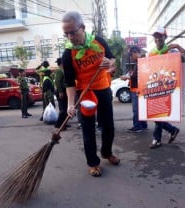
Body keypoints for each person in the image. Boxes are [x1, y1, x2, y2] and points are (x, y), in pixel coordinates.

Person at [62, 11, 119, 177]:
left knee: (108, 125)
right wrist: (70, 105)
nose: (70, 37)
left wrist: (110, 64)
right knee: (88, 130)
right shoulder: (68, 54)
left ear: (83, 28)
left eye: (73, 32)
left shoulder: (98, 41)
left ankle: (107, 153)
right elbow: (69, 82)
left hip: (103, 89)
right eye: (66, 34)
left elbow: (112, 59)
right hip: (85, 93)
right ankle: (93, 163)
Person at [148, 27, 185, 149]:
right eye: (155, 36)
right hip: (155, 87)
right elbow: (147, 69)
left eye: (160, 36)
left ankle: (157, 139)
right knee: (156, 114)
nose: (157, 38)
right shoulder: (151, 53)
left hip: (168, 87)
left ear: (165, 37)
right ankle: (172, 130)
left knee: (158, 115)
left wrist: (178, 46)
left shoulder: (172, 52)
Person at [120, 46, 148, 133]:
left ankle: (137, 126)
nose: (131, 57)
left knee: (136, 109)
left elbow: (137, 76)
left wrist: (127, 77)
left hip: (137, 89)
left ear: (135, 53)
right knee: (141, 108)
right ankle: (143, 125)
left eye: (131, 54)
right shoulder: (140, 61)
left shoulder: (141, 62)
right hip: (138, 88)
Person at [54, 58, 69, 130]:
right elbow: (57, 82)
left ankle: (64, 124)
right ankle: (58, 125)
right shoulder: (59, 70)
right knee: (63, 109)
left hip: (64, 90)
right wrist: (60, 91)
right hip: (61, 91)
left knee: (65, 108)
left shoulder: (62, 70)